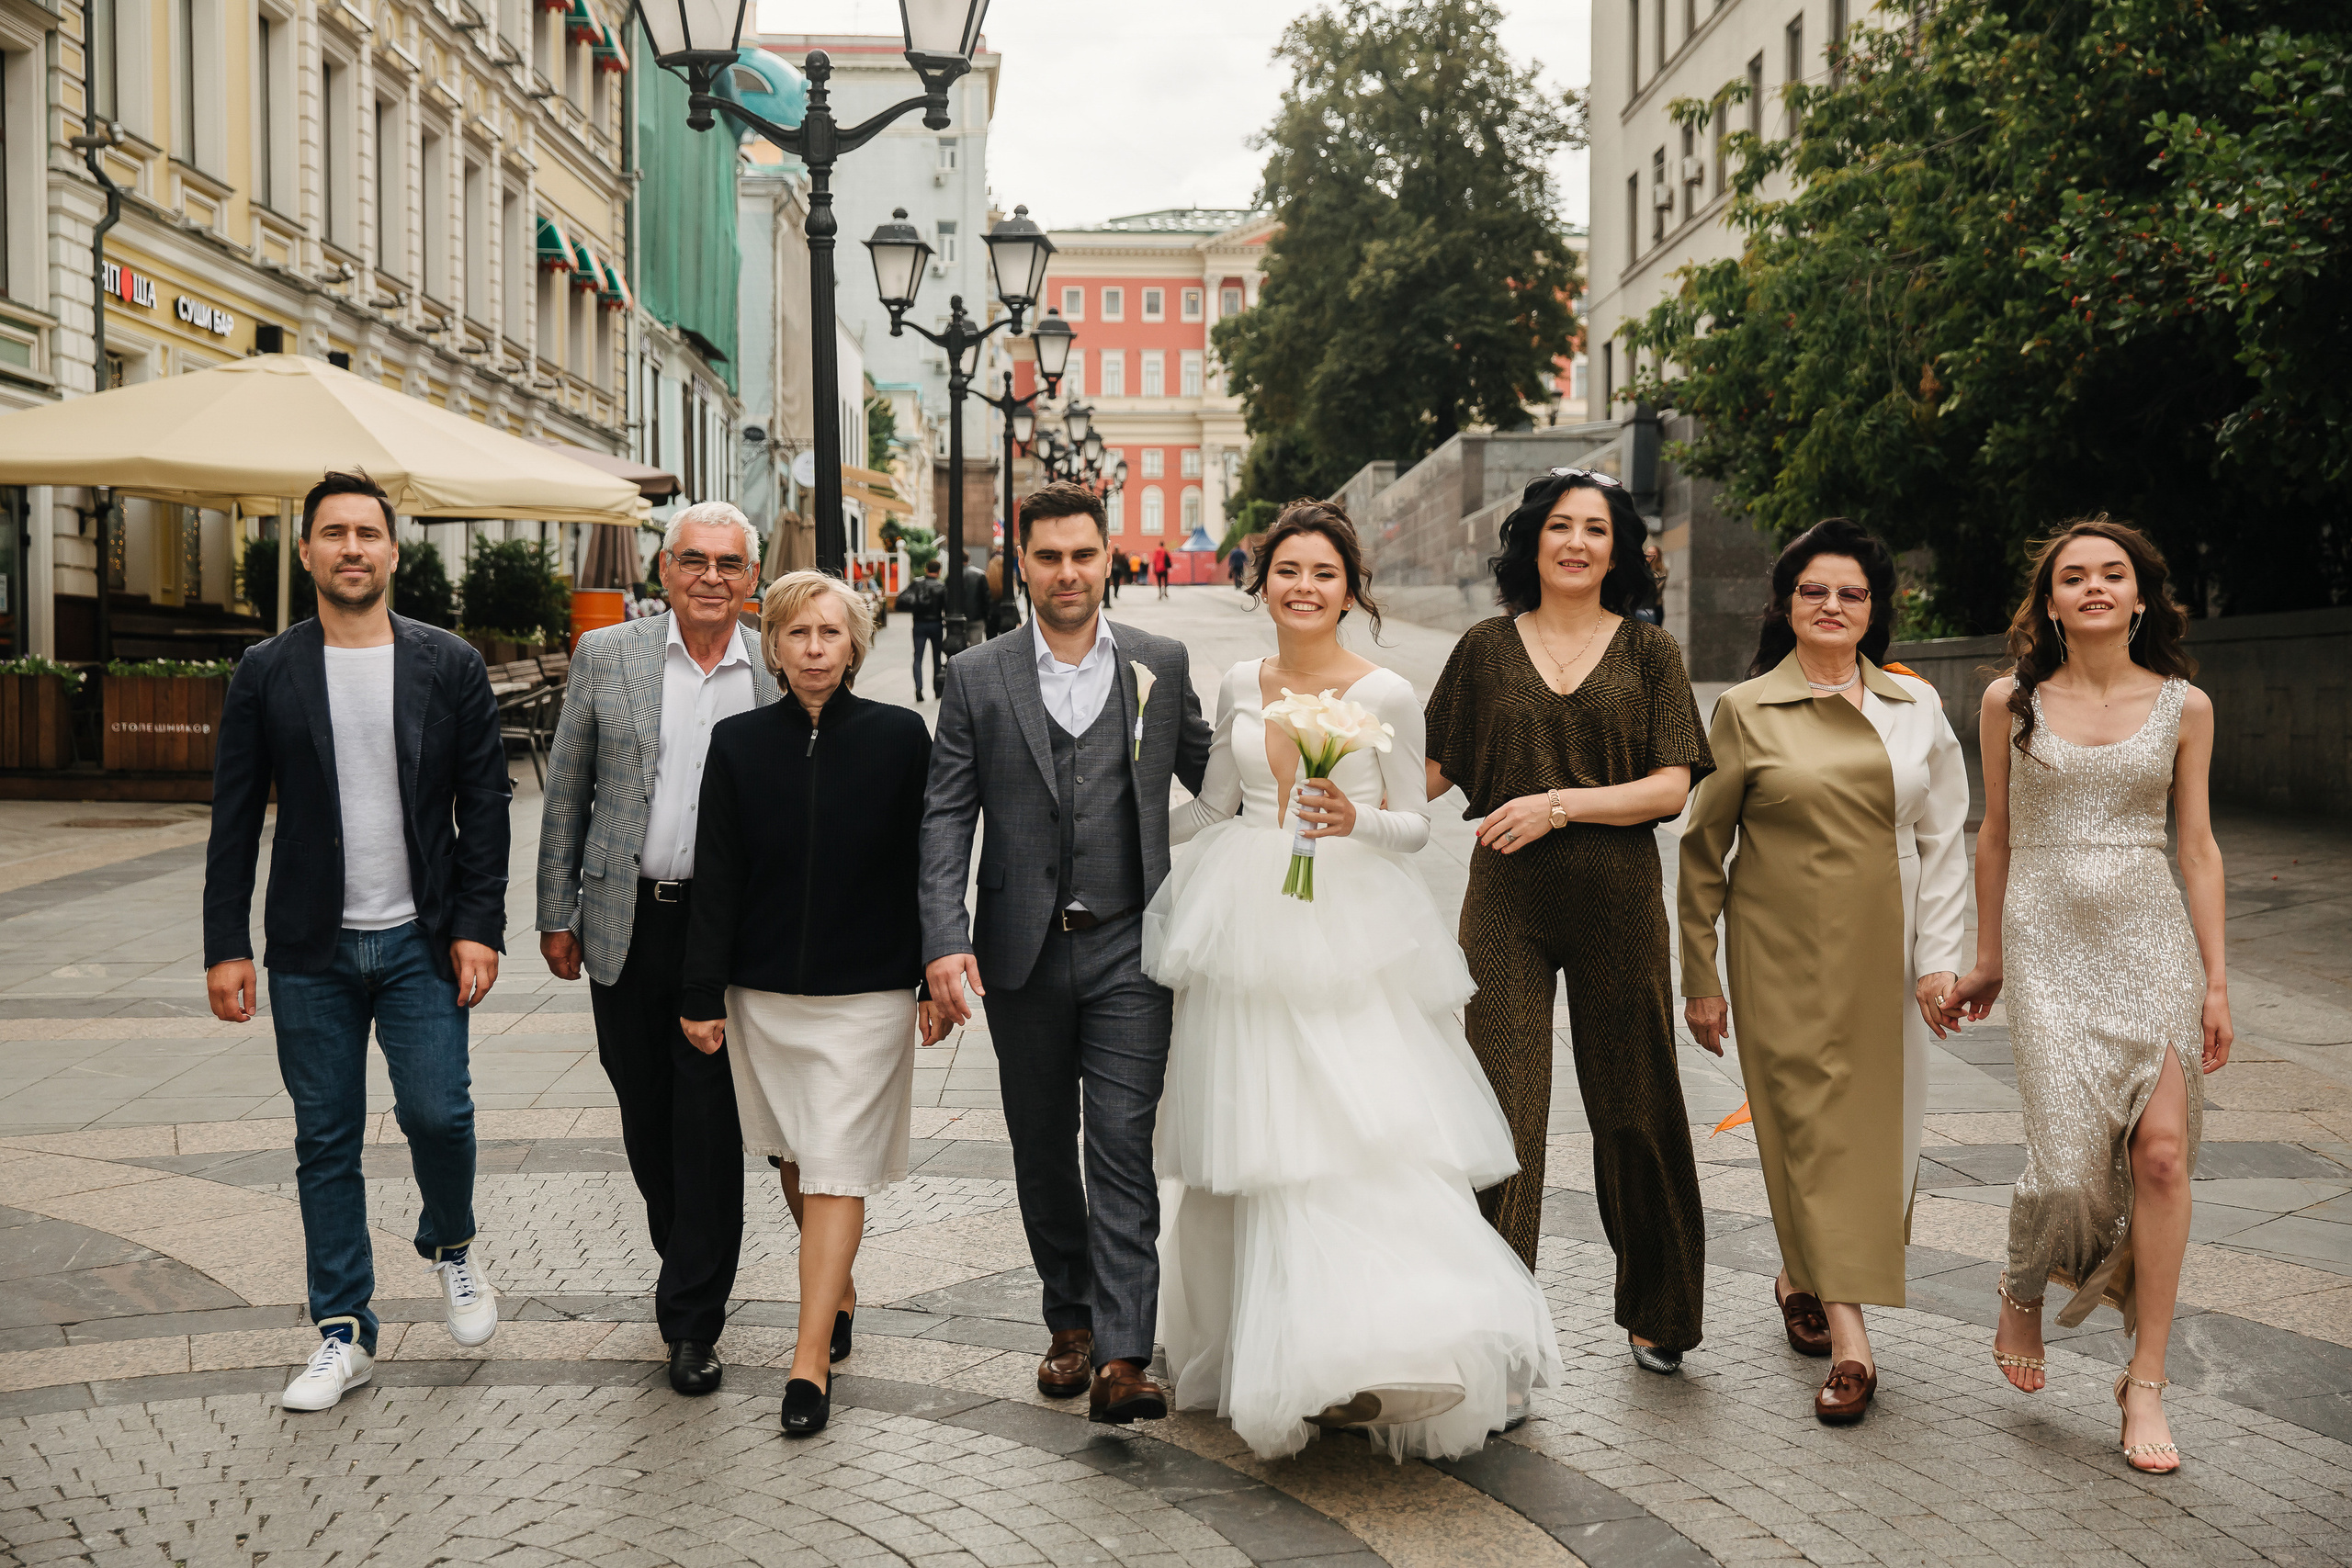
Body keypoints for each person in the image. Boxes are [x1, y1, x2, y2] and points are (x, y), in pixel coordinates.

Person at [1148, 503, 1564, 1460]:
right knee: (1256, 1138)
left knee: (1355, 1123)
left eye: (1322, 574)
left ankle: (1388, 1344)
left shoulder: (1384, 689)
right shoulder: (1238, 680)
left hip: (1348, 931)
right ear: (1261, 580)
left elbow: (1416, 825)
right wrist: (1103, 836)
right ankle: (1267, 1347)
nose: (1302, 587)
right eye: (1287, 571)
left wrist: (1351, 823)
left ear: (1350, 587)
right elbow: (1214, 810)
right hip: (1244, 926)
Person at [202, 469, 509, 1412]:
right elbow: (235, 811)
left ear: (391, 550)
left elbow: (485, 808)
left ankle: (450, 1241)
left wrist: (478, 928)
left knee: (439, 1116)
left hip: (420, 941)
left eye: (366, 533)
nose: (350, 548)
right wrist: (225, 942)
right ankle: (342, 1333)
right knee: (324, 1141)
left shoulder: (446, 663)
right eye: (332, 534)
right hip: (309, 949)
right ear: (306, 553)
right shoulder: (268, 670)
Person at [919, 480, 1214, 1426]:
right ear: (1024, 564)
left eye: (1083, 555)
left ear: (1108, 556)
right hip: (1021, 952)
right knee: (1043, 1146)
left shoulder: (1160, 663)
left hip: (1132, 942)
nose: (1068, 573)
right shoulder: (976, 676)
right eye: (1048, 557)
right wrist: (941, 939)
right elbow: (944, 816)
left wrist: (1320, 749)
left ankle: (1126, 1355)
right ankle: (1070, 1322)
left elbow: (1223, 779)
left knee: (1121, 1144)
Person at [1948, 517, 2228, 1474]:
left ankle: (2143, 1379)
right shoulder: (2007, 703)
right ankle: (2023, 1280)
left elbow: (2194, 848)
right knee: (2067, 1169)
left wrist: (2217, 980)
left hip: (2154, 940)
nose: (2096, 587)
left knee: (2157, 1157)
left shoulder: (2184, 705)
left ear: (2140, 597)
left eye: (2114, 575)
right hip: (2046, 944)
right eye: (2075, 576)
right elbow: (1993, 836)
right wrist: (1984, 956)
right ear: (2052, 601)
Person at [1677, 517, 1970, 1427]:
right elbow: (1700, 849)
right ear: (1786, 605)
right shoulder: (1746, 709)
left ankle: (1800, 1271)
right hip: (1779, 955)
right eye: (1814, 592)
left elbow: (1944, 840)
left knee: (1873, 1142)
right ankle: (1852, 1345)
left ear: (1874, 610)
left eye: (1850, 593)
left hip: (1886, 954)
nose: (1831, 606)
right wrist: (1700, 976)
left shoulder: (1914, 708)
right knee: (1804, 1130)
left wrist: (1941, 963)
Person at [1422, 468, 1712, 1375]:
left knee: (1635, 1105)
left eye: (1596, 529)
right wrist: (1313, 761)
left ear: (1620, 550)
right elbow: (1426, 770)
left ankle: (1661, 1308)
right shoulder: (1482, 647)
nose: (1578, 542)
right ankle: (1496, 1330)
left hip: (1619, 896)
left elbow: (1671, 785)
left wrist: (1558, 805)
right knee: (1503, 1111)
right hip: (1505, 899)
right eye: (1560, 527)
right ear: (1532, 542)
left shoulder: (1648, 653)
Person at [678, 570, 937, 1437]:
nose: (816, 648)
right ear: (774, 644)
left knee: (832, 1159)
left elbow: (926, 866)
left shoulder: (902, 737)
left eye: (831, 633)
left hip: (868, 993)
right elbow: (716, 872)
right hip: (764, 997)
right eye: (799, 634)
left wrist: (934, 970)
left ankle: (808, 1358)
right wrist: (700, 988)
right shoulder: (740, 741)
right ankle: (842, 1286)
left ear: (855, 644)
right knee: (796, 1157)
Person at [535, 501, 777, 1397]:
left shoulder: (774, 668)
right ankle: (690, 1262)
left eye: (729, 563)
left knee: (706, 1120)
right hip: (625, 917)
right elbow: (567, 789)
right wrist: (554, 911)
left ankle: (691, 1319)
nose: (711, 577)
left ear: (753, 579)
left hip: (729, 932)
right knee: (643, 1110)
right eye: (693, 560)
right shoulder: (610, 657)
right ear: (663, 572)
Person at [899, 559, 947, 699]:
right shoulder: (941, 586)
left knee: (918, 657)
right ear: (939, 571)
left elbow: (904, 598)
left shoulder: (917, 584)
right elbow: (947, 607)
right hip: (936, 624)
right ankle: (937, 689)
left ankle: (919, 687)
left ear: (926, 569)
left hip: (919, 624)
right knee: (936, 657)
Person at [1634, 543, 1668, 626]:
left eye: (1653, 553)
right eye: (1648, 553)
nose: (1650, 555)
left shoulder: (1662, 571)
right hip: (1641, 606)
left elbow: (1656, 588)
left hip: (1655, 606)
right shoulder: (1643, 568)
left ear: (1658, 555)